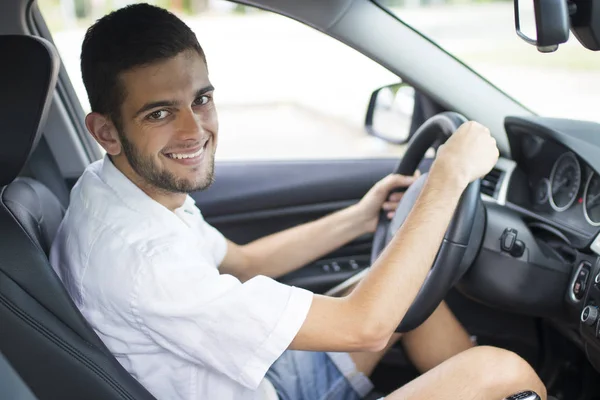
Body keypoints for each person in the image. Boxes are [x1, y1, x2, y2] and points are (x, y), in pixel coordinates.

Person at [50, 4, 547, 400]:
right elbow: (367, 327)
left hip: (254, 381)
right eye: (160, 113)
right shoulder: (144, 260)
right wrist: (447, 179)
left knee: (412, 297)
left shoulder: (121, 189)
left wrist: (360, 217)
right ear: (106, 131)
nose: (194, 130)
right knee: (501, 371)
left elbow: (243, 263)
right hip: (259, 388)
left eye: (200, 99)